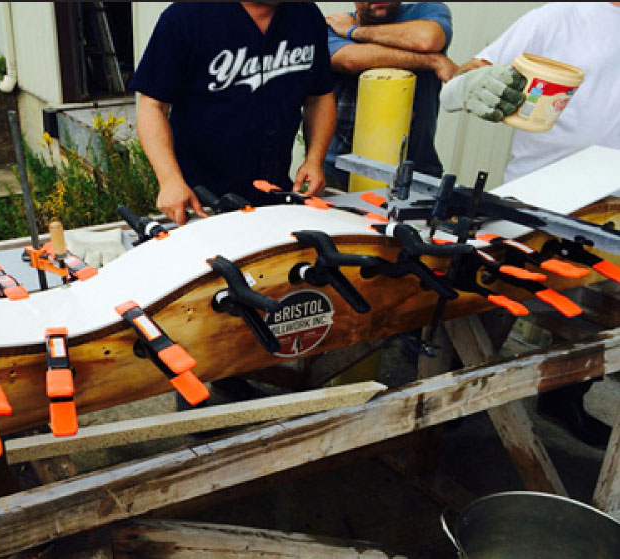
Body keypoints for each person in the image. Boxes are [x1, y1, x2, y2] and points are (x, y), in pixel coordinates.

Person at [440, 2, 620, 446]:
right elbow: (467, 74)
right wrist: (471, 86)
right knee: (500, 299)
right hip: (544, 191)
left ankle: (565, 398)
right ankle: (456, 397)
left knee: (591, 311)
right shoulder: (562, 15)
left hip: (612, 203)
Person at [130, 1, 336, 226]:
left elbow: (319, 97)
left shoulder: (306, 15)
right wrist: (169, 180)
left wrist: (314, 160)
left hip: (277, 199)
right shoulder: (186, 16)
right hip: (200, 204)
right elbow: (152, 106)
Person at [323, 2, 456, 188]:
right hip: (340, 172)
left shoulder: (426, 11)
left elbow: (427, 39)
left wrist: (355, 31)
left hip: (416, 173)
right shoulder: (333, 26)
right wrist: (432, 60)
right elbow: (350, 60)